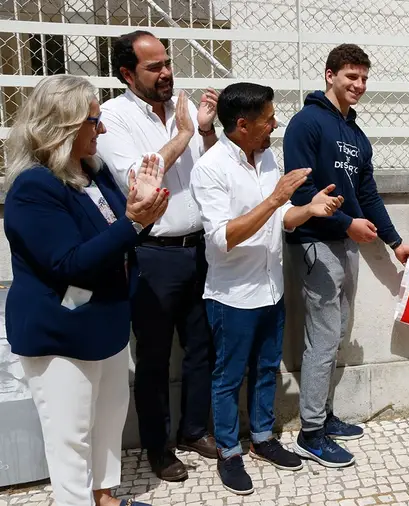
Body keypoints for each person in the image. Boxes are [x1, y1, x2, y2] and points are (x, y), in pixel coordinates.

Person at [4, 74, 168, 506]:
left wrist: (143, 212)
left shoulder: (93, 173)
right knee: (70, 434)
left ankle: (104, 496)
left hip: (106, 323)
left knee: (109, 419)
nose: (104, 128)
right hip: (61, 331)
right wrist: (134, 221)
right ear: (64, 125)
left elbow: (117, 237)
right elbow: (68, 262)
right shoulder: (33, 188)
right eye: (94, 120)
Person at [190, 82, 345, 495]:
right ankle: (228, 451)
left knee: (265, 370)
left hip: (271, 290)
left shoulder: (267, 158)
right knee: (227, 377)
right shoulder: (210, 168)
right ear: (242, 125)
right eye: (268, 119)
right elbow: (224, 236)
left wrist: (306, 209)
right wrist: (277, 199)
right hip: (232, 295)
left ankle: (262, 438)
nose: (275, 124)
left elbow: (280, 220)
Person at [282, 43, 409, 467]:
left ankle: (322, 414)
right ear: (329, 76)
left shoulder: (356, 135)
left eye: (363, 78)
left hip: (347, 244)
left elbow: (367, 194)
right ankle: (310, 433)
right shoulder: (306, 124)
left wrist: (395, 242)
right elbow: (301, 192)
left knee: (337, 332)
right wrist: (346, 225)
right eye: (350, 77)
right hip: (315, 243)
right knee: (322, 338)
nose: (358, 85)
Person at [96, 30, 220, 481]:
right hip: (153, 253)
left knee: (201, 346)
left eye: (167, 62)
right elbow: (140, 175)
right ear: (128, 73)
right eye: (155, 67)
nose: (167, 72)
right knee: (152, 357)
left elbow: (210, 169)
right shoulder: (113, 117)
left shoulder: (182, 110)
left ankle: (194, 429)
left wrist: (203, 131)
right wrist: (184, 134)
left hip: (198, 247)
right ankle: (157, 447)